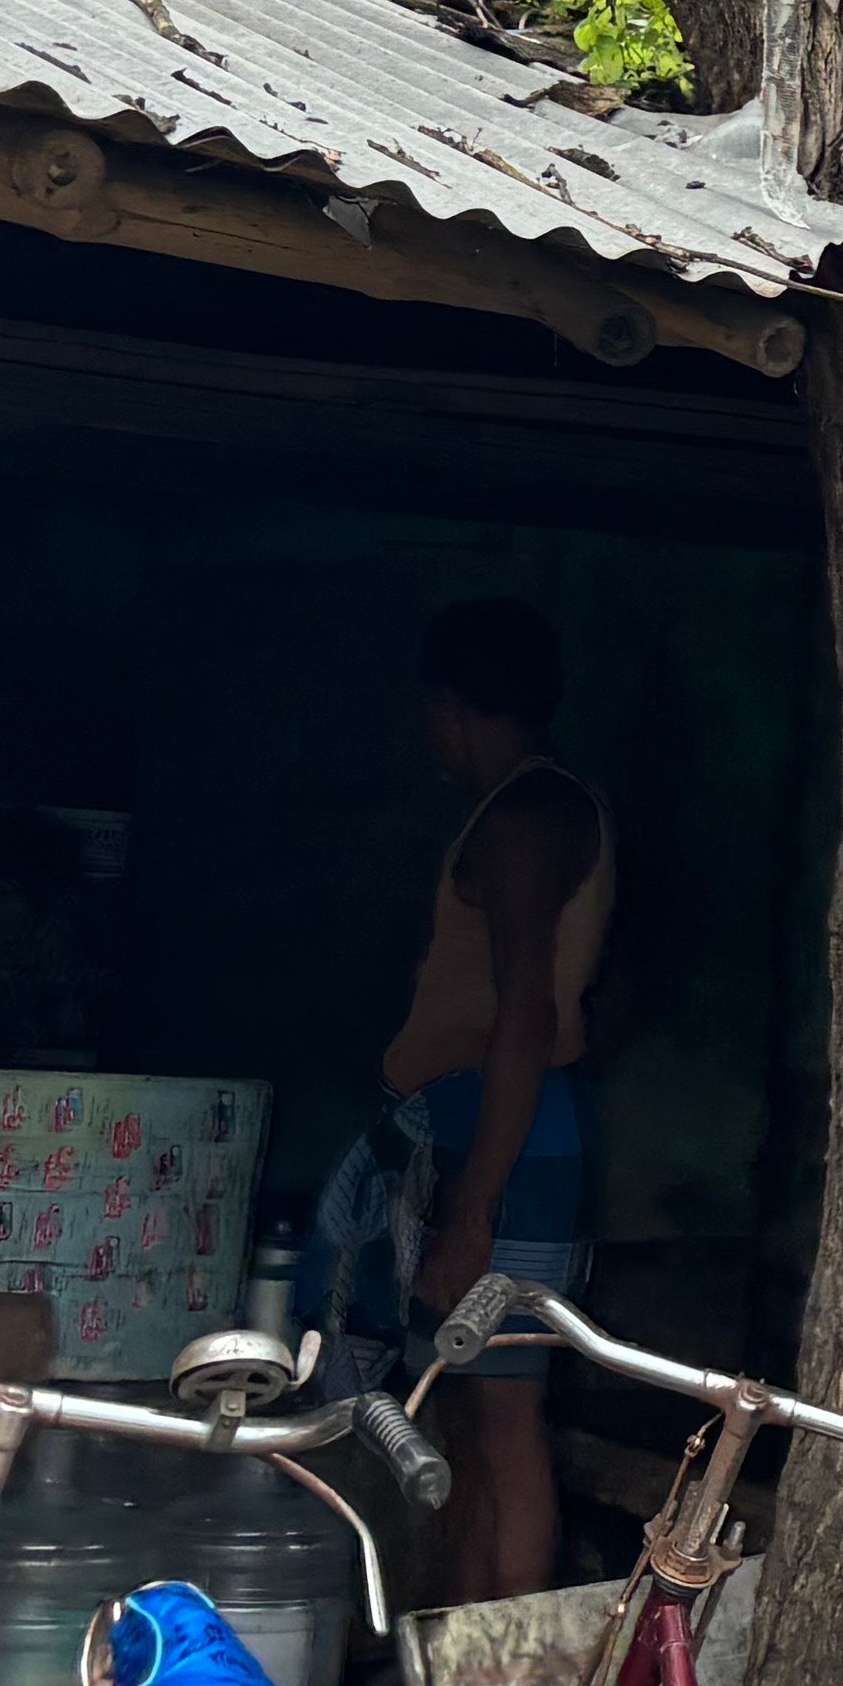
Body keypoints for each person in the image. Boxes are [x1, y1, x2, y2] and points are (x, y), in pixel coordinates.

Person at [365, 596, 609, 1606]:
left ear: (452, 708)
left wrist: (473, 1211)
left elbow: (524, 1016)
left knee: (504, 1416)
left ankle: (513, 1676)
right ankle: (455, 1652)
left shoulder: (523, 820)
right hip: (494, 1138)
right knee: (465, 1409)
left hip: (510, 1151)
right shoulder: (537, 808)